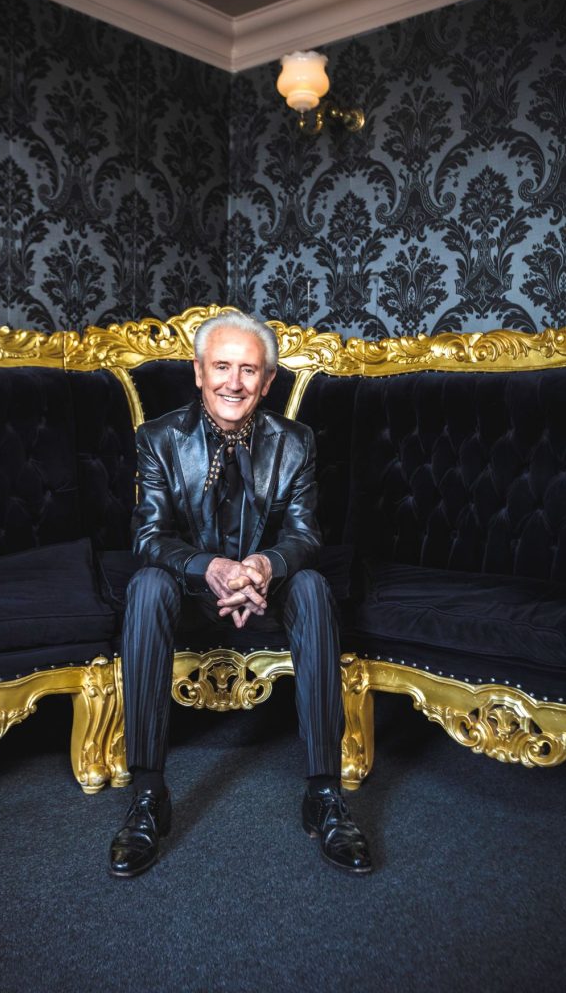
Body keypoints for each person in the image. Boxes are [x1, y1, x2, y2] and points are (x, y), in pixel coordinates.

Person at [109, 311, 372, 878]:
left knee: (313, 586)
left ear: (268, 380)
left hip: (264, 591)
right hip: (188, 591)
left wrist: (262, 566)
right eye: (222, 367)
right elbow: (149, 536)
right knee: (146, 585)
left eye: (249, 370)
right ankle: (148, 794)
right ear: (198, 372)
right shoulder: (158, 439)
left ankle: (324, 794)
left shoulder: (297, 442)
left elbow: (305, 535)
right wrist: (210, 567)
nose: (234, 382)